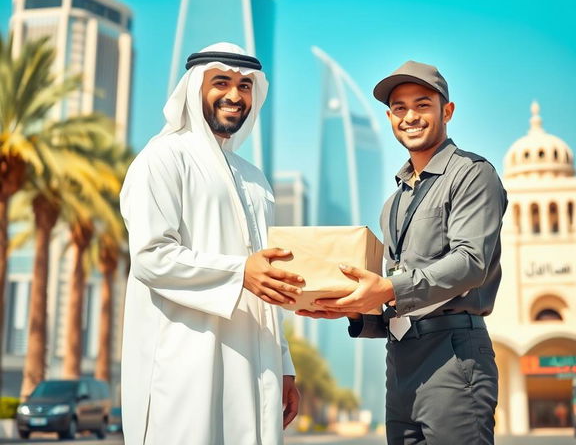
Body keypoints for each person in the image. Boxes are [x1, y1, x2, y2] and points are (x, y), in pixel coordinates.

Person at [300, 60, 507, 445]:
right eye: (399, 108)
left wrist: (387, 290)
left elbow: (471, 262)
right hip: (399, 363)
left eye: (422, 104)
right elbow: (398, 297)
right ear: (390, 117)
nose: (410, 116)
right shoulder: (392, 203)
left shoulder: (472, 174)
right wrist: (355, 308)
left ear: (447, 111)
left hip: (452, 357)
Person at [120, 42, 302, 445]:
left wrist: (285, 364)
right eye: (221, 82)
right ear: (194, 88)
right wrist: (240, 273)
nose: (235, 95)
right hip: (186, 364)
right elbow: (151, 257)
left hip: (258, 364)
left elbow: (266, 279)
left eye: (245, 85)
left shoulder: (255, 180)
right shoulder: (163, 158)